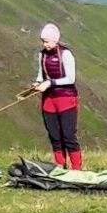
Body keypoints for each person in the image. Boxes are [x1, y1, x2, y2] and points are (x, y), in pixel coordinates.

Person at [33, 23, 83, 169]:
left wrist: (50, 83)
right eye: (43, 41)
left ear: (55, 40)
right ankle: (60, 165)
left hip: (66, 98)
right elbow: (41, 74)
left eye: (47, 41)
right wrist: (37, 83)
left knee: (68, 135)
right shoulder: (42, 54)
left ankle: (76, 168)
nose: (44, 44)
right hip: (49, 99)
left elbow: (70, 79)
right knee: (54, 135)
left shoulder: (66, 54)